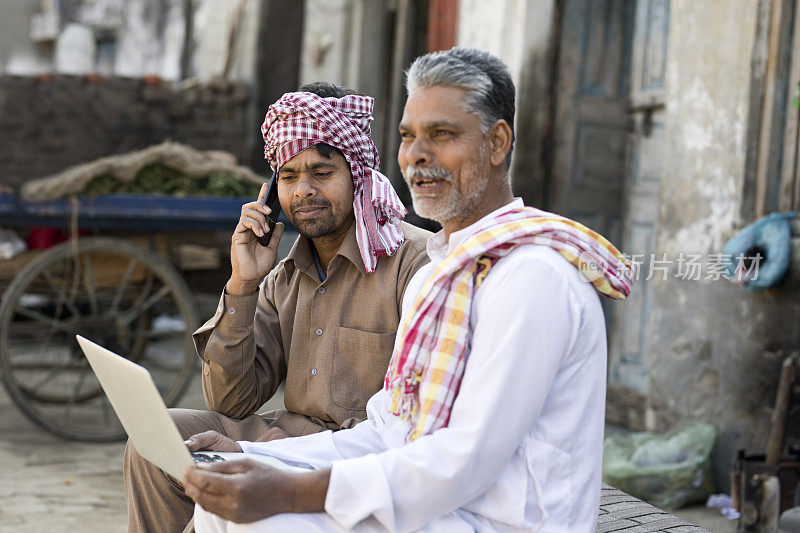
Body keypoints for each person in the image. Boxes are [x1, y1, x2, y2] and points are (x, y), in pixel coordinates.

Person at [183, 48, 634, 532]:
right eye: (407, 137)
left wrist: (288, 487)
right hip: (438, 507)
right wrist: (253, 456)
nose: (417, 156)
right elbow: (391, 430)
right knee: (220, 509)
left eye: (442, 135)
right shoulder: (443, 272)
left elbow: (464, 459)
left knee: (259, 520)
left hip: (500, 521)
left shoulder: (531, 278)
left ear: (497, 143)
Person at [123, 82, 431, 532]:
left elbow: (412, 423)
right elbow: (232, 400)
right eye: (288, 177)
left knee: (218, 512)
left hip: (357, 459)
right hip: (280, 436)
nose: (303, 190)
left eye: (321, 173)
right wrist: (244, 282)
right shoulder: (283, 276)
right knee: (157, 438)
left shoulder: (415, 263)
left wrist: (281, 451)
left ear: (359, 174)